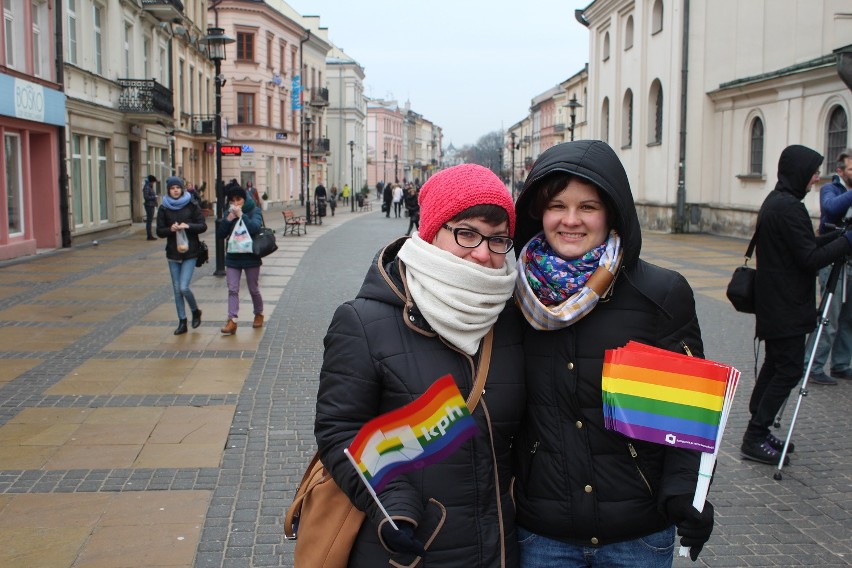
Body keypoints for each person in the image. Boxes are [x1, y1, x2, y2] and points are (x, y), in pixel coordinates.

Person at [512, 140, 713, 566]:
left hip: (637, 534)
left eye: (588, 206)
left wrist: (685, 495)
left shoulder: (660, 294)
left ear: (612, 211)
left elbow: (685, 415)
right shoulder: (513, 297)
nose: (570, 220)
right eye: (557, 205)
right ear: (537, 212)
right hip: (544, 533)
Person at [315, 163, 524, 566]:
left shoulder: (509, 319)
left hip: (500, 547)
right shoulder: (363, 322)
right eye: (466, 232)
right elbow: (339, 428)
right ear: (430, 232)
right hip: (409, 546)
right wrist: (391, 501)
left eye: (498, 239)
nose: (483, 254)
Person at [743, 144, 852, 464]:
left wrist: (834, 236)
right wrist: (845, 242)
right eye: (813, 172)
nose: (815, 178)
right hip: (785, 305)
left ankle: (758, 429)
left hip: (776, 303)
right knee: (789, 369)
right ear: (799, 172)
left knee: (776, 365)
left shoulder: (777, 201)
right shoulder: (789, 207)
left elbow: (800, 246)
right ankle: (755, 434)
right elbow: (808, 259)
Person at [805, 149, 852, 385]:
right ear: (840, 171)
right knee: (828, 317)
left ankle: (842, 364)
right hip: (833, 262)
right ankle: (812, 365)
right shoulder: (830, 189)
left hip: (851, 261)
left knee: (848, 318)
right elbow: (831, 209)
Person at [155, 176, 206, 335]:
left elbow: (202, 226)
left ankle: (195, 310)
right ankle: (182, 321)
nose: (175, 190)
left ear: (182, 189)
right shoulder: (164, 207)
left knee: (184, 287)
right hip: (173, 252)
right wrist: (170, 229)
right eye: (172, 188)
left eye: (178, 187)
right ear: (168, 190)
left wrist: (188, 226)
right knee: (177, 290)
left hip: (190, 252)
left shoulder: (191, 204)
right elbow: (159, 231)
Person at [216, 183, 265, 335]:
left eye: (238, 200)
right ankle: (232, 320)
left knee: (253, 289)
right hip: (233, 257)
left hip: (251, 256)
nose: (235, 203)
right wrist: (228, 219)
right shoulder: (228, 213)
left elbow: (255, 227)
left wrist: (241, 216)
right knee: (232, 289)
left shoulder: (254, 210)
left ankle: (258, 313)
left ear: (244, 199)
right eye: (232, 201)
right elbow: (220, 234)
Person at [143, 175, 159, 241]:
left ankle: (150, 235)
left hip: (151, 205)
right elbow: (146, 197)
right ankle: (149, 235)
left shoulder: (149, 186)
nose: (153, 183)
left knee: (150, 220)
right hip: (149, 205)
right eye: (153, 182)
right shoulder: (147, 187)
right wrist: (154, 197)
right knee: (149, 221)